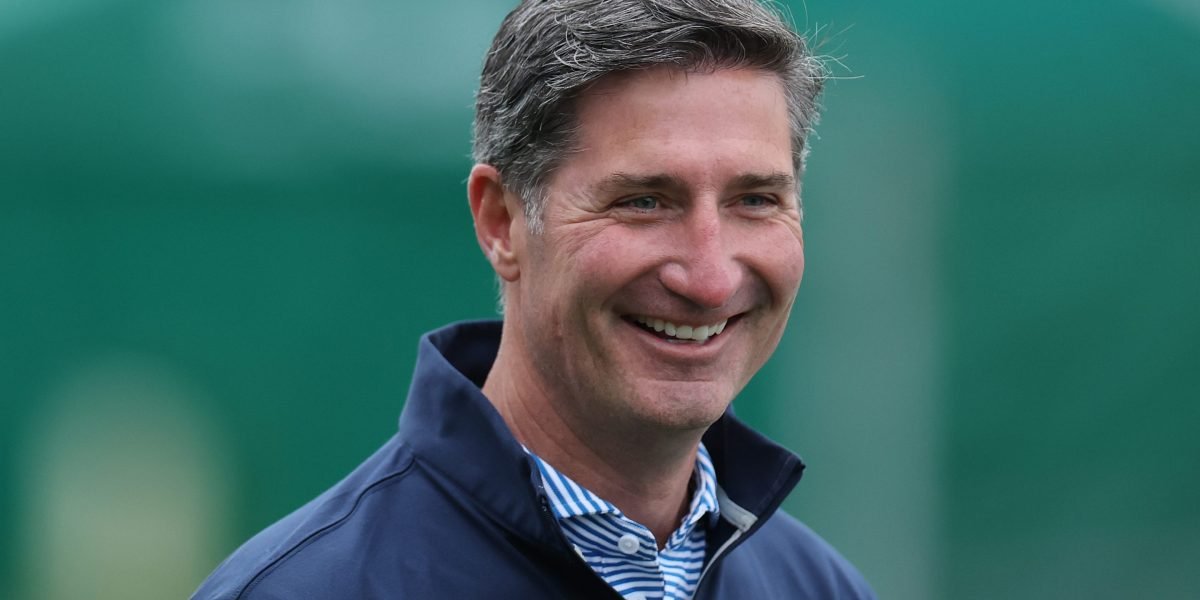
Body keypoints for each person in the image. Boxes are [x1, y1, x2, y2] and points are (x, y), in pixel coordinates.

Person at [193, 0, 876, 598]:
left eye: (755, 200)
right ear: (501, 222)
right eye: (643, 201)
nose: (710, 279)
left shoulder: (822, 588)